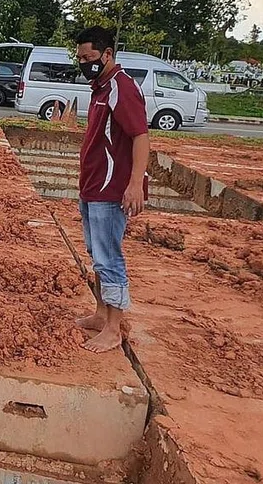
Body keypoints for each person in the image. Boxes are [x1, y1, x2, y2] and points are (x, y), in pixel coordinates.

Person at [73, 26, 150, 353]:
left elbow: (140, 137)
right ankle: (101, 313)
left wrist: (135, 184)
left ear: (107, 55)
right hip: (92, 187)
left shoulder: (121, 88)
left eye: (89, 58)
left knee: (109, 258)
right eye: (80, 58)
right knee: (97, 254)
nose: (84, 63)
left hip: (110, 189)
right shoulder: (100, 87)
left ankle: (114, 328)